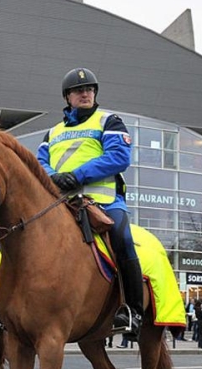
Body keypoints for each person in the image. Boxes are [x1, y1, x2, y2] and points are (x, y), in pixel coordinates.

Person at [37, 68, 142, 337]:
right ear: (67, 97)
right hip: (61, 202)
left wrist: (76, 176)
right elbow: (39, 164)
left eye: (89, 89)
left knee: (122, 238)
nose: (85, 93)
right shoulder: (53, 132)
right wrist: (54, 178)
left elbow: (118, 157)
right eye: (78, 90)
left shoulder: (109, 121)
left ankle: (132, 311)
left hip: (104, 201)